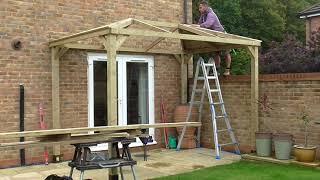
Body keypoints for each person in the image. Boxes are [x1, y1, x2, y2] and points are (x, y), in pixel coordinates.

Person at [198, 0, 231, 76]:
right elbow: (199, 24)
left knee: (226, 52)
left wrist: (199, 26)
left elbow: (208, 24)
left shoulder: (211, 14)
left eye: (201, 7)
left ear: (205, 7)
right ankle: (217, 70)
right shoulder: (203, 15)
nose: (199, 9)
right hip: (214, 36)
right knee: (216, 53)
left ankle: (227, 70)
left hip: (222, 35)